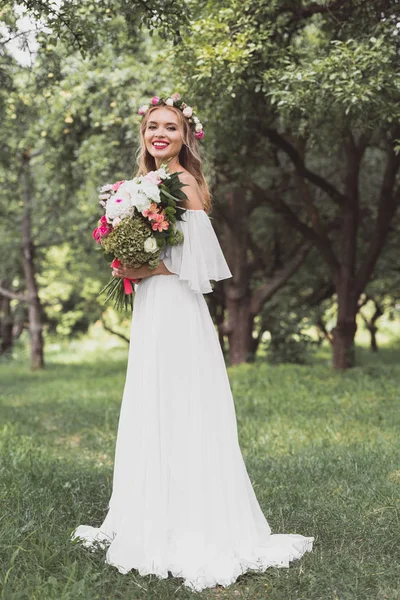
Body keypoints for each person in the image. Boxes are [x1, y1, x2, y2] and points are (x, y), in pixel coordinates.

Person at [71, 95, 314, 592]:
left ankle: (191, 524)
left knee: (181, 405)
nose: (160, 134)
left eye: (171, 127)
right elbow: (145, 246)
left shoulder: (182, 181)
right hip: (153, 309)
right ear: (143, 134)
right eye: (152, 126)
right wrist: (127, 253)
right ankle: (149, 513)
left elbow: (197, 264)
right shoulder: (142, 185)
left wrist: (139, 265)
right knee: (153, 403)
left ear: (186, 137)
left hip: (177, 309)